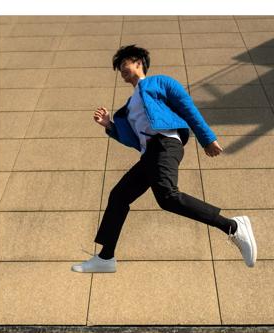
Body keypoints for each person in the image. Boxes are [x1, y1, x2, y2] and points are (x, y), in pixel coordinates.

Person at [71, 45, 257, 273]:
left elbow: (187, 108)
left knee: (167, 196)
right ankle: (105, 257)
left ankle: (233, 226)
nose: (122, 72)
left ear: (138, 62)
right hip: (149, 153)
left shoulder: (160, 83)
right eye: (119, 70)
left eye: (124, 65)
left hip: (166, 143)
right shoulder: (129, 107)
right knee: (118, 196)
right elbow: (133, 140)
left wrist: (206, 137)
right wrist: (110, 125)